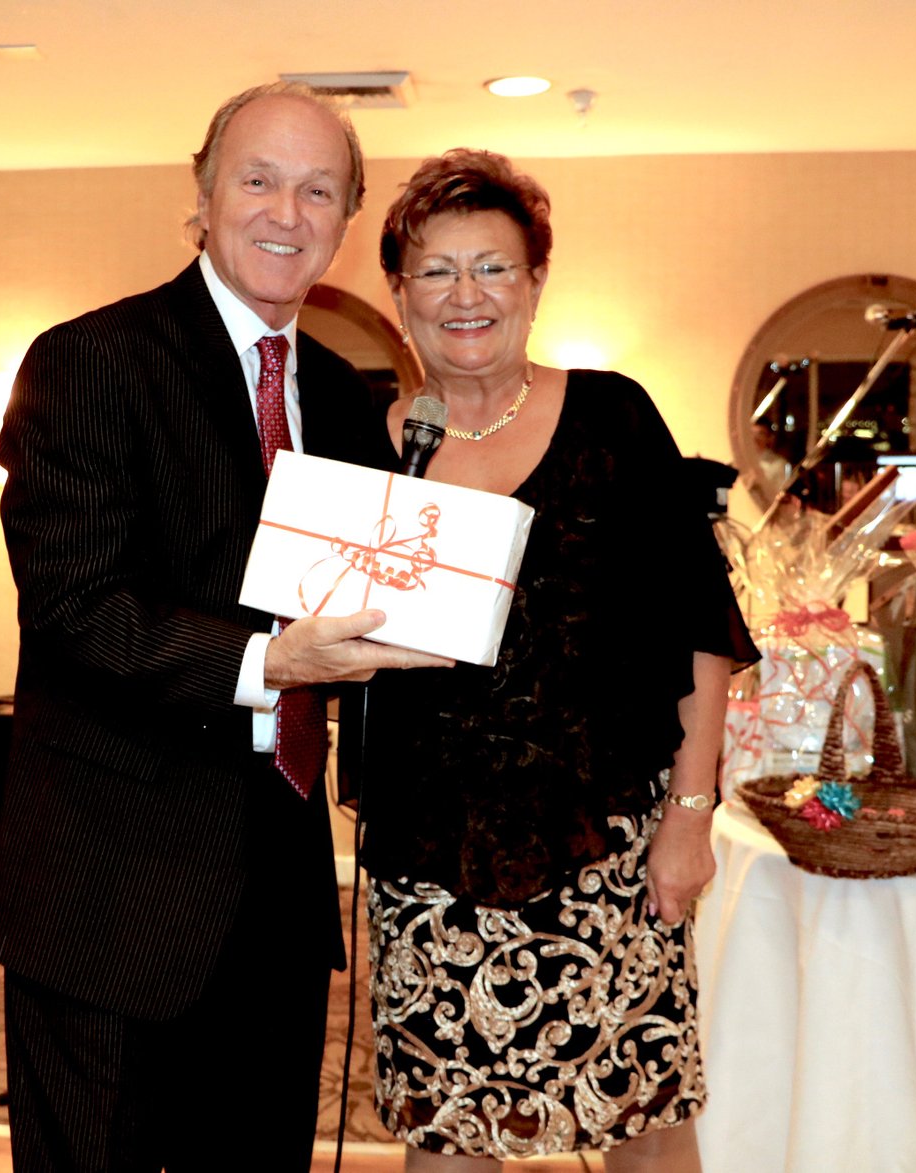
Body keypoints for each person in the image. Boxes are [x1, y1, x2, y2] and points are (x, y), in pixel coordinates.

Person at [0, 83, 450, 1173]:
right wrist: (266, 661)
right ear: (201, 195)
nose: (287, 212)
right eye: (259, 180)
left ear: (346, 221)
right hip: (110, 894)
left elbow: (376, 600)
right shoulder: (90, 360)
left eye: (319, 191)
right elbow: (73, 606)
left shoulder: (342, 395)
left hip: (280, 895)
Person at [358, 150, 759, 1172]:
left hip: (606, 844)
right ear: (399, 295)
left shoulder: (614, 418)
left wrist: (690, 818)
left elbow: (700, 628)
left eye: (492, 267)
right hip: (431, 859)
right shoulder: (369, 445)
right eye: (436, 271)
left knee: (643, 1115)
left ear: (535, 282)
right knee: (446, 1131)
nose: (465, 295)